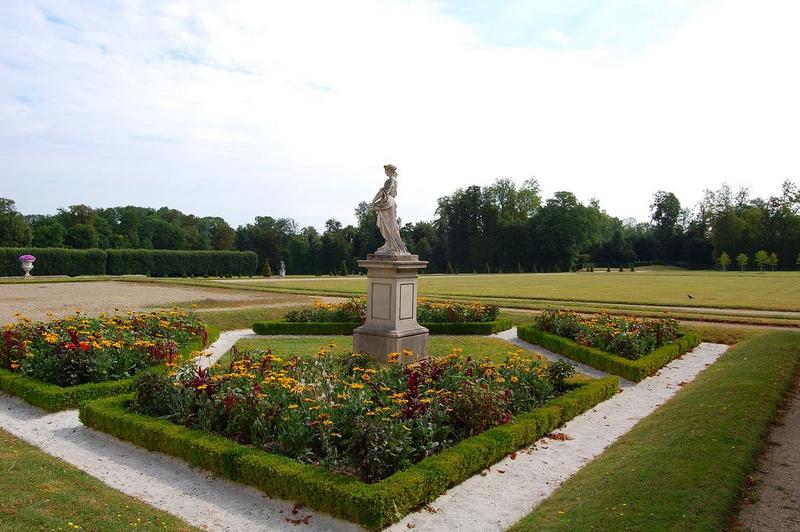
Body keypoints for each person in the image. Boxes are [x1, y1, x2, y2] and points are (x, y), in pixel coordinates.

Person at [372, 164, 409, 254]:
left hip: (387, 202)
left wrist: (373, 201)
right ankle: (390, 244)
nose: (385, 172)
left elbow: (383, 192)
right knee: (390, 225)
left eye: (386, 170)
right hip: (391, 202)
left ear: (390, 170)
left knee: (388, 225)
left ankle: (392, 246)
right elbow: (394, 193)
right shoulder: (395, 180)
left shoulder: (390, 180)